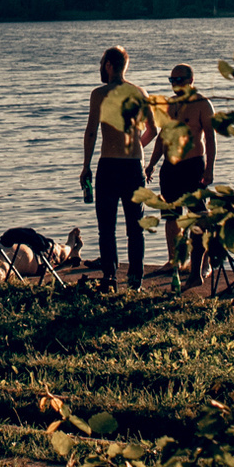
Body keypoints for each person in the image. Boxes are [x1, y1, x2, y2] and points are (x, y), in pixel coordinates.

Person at [81, 47, 156, 290]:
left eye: (103, 63)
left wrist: (86, 166)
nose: (102, 67)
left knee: (107, 228)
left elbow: (92, 131)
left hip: (109, 165)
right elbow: (153, 130)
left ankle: (110, 277)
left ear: (110, 65)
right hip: (134, 165)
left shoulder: (99, 94)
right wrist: (138, 149)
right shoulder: (140, 92)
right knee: (135, 227)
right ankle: (135, 280)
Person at [147, 63, 216, 288]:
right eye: (172, 80)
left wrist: (209, 169)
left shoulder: (203, 105)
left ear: (190, 80)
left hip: (193, 165)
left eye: (179, 80)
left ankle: (202, 264)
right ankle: (174, 261)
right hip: (170, 167)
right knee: (170, 216)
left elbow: (210, 140)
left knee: (198, 215)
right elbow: (161, 138)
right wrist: (151, 163)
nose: (175, 84)